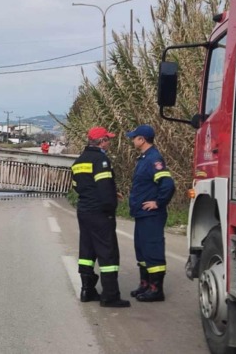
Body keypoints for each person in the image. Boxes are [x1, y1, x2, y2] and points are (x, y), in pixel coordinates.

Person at [72, 126, 130, 308]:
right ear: (101, 141)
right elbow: (104, 188)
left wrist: (112, 192)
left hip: (84, 210)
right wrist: (111, 206)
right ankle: (110, 295)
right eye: (108, 139)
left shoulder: (79, 161)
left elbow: (77, 186)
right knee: (108, 253)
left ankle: (87, 290)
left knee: (87, 251)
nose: (109, 142)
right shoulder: (101, 160)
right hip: (100, 213)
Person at [126, 124, 175, 302]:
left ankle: (156, 289)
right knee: (142, 250)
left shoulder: (154, 158)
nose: (132, 140)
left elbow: (167, 184)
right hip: (141, 214)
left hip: (151, 215)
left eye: (134, 137)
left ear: (142, 139)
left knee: (153, 250)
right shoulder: (144, 158)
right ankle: (145, 284)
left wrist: (158, 202)